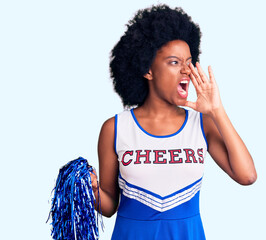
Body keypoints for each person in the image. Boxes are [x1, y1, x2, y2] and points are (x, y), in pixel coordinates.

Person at [91, 4, 257, 240]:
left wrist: (217, 112)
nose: (186, 71)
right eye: (174, 62)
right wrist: (91, 189)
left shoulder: (202, 124)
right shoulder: (115, 128)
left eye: (188, 62)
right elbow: (108, 206)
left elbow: (247, 176)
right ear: (148, 70)